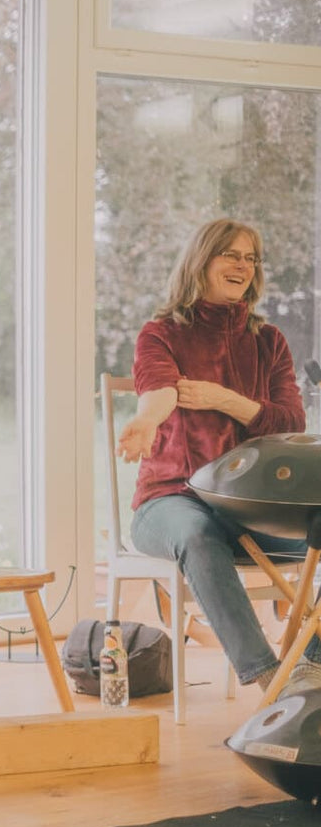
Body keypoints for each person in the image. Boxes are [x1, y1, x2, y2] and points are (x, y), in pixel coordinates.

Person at [118, 218, 321, 696]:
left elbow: (291, 422)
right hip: (169, 503)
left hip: (250, 511)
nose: (242, 265)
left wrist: (221, 397)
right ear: (201, 260)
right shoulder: (161, 332)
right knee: (198, 533)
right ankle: (271, 680)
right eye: (230, 254)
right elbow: (160, 390)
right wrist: (146, 422)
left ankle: (311, 665)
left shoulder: (269, 341)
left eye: (250, 258)